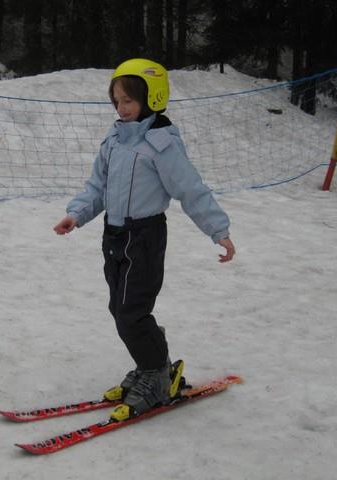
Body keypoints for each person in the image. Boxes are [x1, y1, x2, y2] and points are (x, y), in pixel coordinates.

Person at [53, 58, 235, 421]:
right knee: (119, 310)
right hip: (114, 236)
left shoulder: (161, 144)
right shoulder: (115, 139)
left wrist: (219, 231)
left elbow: (190, 190)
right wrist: (77, 214)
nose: (121, 108)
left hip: (145, 237)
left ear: (152, 98)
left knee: (131, 313)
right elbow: (98, 187)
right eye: (117, 101)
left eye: (129, 101)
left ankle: (156, 376)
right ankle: (154, 364)